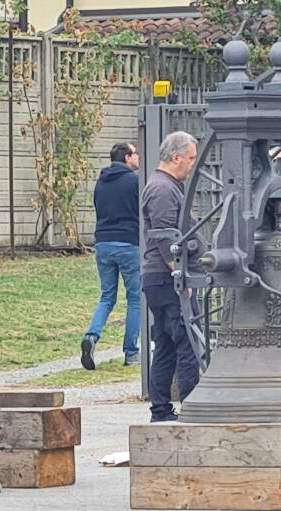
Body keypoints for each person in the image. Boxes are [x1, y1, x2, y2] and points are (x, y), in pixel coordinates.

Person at [141, 131, 203, 422]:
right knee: (186, 343)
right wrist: (179, 274)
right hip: (169, 280)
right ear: (176, 157)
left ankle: (162, 409)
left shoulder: (166, 186)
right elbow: (166, 237)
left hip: (162, 278)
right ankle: (190, 407)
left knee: (166, 345)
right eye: (191, 158)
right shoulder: (163, 189)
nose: (193, 164)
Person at [81, 143, 142, 371]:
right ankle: (131, 352)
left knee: (107, 297)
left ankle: (92, 336)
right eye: (136, 153)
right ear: (127, 157)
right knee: (136, 298)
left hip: (103, 242)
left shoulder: (101, 182)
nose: (138, 157)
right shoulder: (134, 182)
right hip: (128, 243)